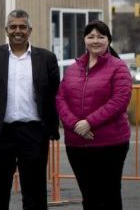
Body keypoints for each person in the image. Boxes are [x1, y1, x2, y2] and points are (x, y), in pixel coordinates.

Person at [0, 9, 60, 210]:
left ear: (30, 30)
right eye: (13, 27)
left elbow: (55, 95)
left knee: (35, 193)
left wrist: (51, 128)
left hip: (34, 133)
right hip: (0, 133)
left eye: (22, 27)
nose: (17, 31)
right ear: (6, 30)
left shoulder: (46, 58)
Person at [56, 20, 132, 210]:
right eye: (91, 36)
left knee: (110, 195)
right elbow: (60, 98)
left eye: (100, 36)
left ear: (108, 40)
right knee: (89, 196)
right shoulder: (73, 69)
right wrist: (76, 125)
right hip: (77, 144)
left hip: (110, 144)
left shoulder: (118, 67)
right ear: (84, 40)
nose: (95, 40)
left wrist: (89, 122)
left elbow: (120, 100)